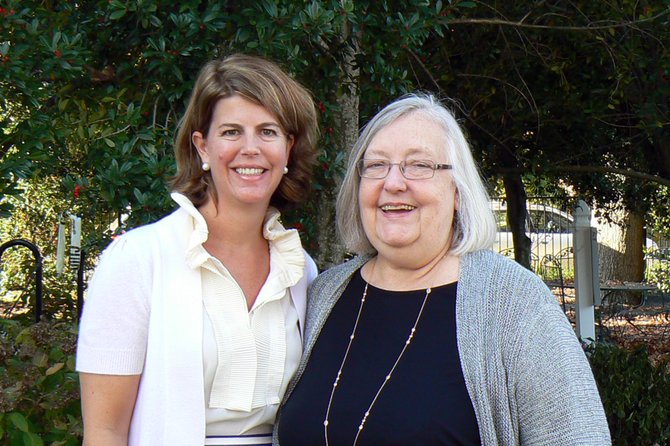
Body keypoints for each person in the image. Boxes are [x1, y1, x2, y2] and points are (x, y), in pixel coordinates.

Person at [276, 93, 611, 445]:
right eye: (376, 165)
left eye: (419, 165)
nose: (393, 183)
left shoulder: (513, 305)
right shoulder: (323, 294)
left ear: (457, 192)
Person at [76, 53, 319, 446]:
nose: (251, 148)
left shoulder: (299, 270)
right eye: (231, 132)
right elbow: (105, 431)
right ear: (202, 147)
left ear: (288, 149)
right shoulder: (139, 261)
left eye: (268, 131)